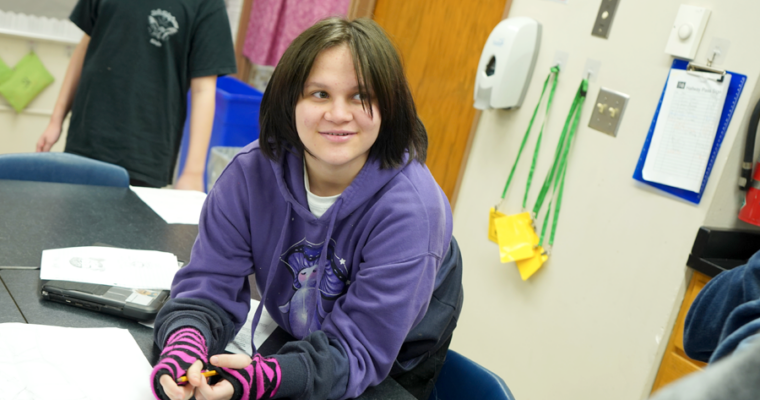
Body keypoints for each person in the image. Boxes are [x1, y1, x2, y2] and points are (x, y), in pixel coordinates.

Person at [149, 17, 463, 400]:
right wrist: (184, 350)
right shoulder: (250, 176)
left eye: (361, 96)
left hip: (385, 362)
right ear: (290, 100)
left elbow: (359, 350)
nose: (338, 114)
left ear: (389, 105)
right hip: (302, 337)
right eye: (319, 94)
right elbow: (206, 289)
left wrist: (259, 380)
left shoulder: (412, 210)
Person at [35, 0, 237, 191]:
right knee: (71, 221)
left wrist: (193, 172)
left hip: (145, 152)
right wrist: (56, 120)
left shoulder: (206, 4)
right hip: (86, 137)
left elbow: (203, 89)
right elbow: (86, 43)